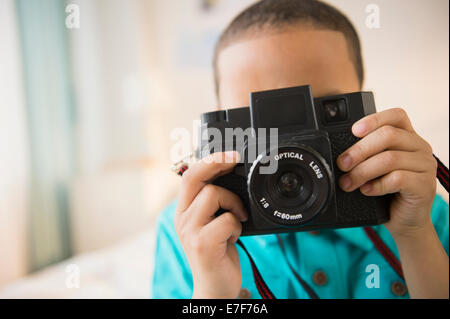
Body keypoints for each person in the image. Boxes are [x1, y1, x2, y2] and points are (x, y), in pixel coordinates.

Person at [152, 0, 449, 299]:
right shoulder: (189, 234)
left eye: (326, 111)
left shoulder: (421, 212)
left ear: (363, 105)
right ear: (218, 128)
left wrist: (415, 236)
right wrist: (214, 292)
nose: (289, 146)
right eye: (255, 119)